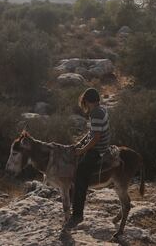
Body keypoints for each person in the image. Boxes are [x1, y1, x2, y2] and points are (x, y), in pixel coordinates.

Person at [66, 87, 111, 228]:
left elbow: (96, 138)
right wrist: (80, 143)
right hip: (99, 145)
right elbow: (92, 132)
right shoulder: (101, 109)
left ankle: (77, 215)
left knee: (80, 177)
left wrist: (82, 150)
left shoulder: (96, 113)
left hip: (98, 150)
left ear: (86, 100)